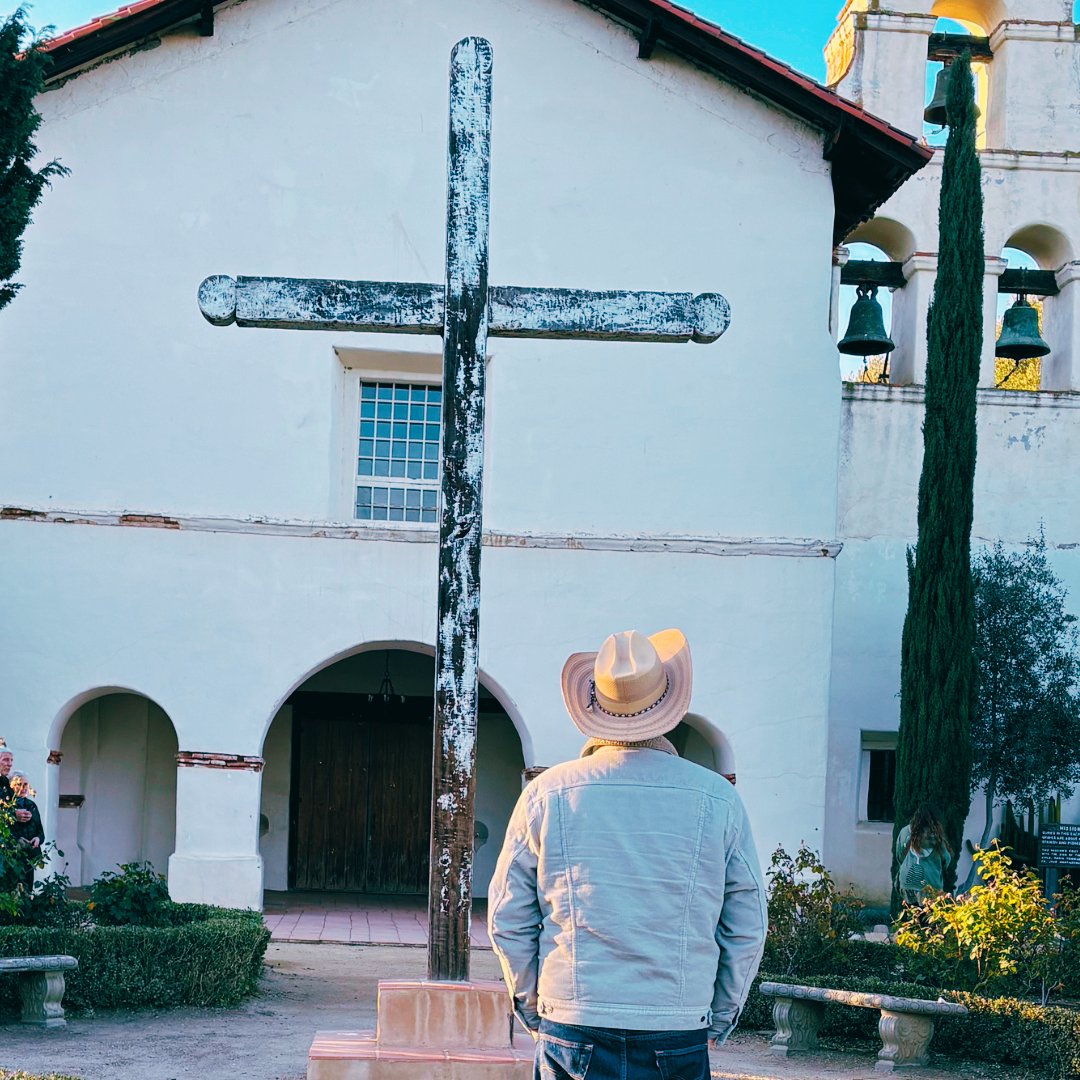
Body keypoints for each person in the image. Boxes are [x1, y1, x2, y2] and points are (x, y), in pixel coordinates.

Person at [488, 628, 767, 1080]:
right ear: (668, 706)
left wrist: (532, 1005)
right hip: (676, 1025)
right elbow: (747, 923)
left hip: (573, 1021)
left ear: (595, 708)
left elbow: (506, 916)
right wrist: (720, 1014)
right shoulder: (717, 798)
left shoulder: (547, 794)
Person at [895, 803, 952, 906]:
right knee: (928, 918)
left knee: (912, 915)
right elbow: (946, 859)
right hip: (929, 882)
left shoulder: (905, 831)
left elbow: (899, 856)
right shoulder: (935, 834)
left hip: (907, 881)